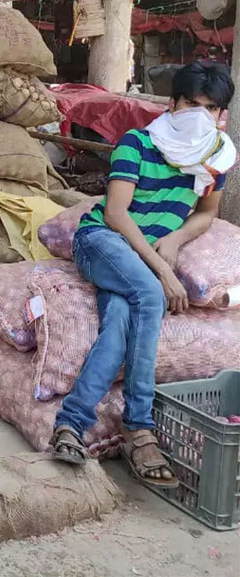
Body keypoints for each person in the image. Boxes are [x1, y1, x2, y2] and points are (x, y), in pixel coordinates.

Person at [50, 62, 236, 486]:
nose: (199, 114)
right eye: (191, 103)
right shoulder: (138, 142)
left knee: (118, 325)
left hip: (144, 254)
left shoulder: (215, 159)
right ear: (172, 104)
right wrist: (162, 271)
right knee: (151, 295)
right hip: (103, 240)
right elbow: (116, 214)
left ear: (221, 116)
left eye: (210, 108)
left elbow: (207, 215)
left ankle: (70, 424)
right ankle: (140, 426)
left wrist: (174, 241)